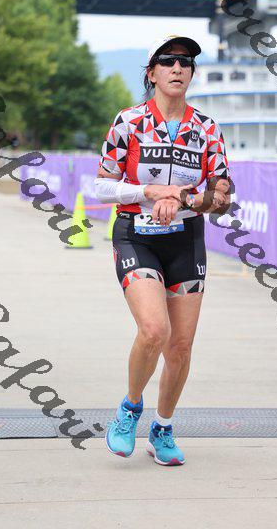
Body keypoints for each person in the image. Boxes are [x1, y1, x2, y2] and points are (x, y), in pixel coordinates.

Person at [94, 35, 231, 466]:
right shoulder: (129, 122)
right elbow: (101, 186)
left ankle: (163, 427)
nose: (177, 68)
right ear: (152, 73)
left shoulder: (206, 128)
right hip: (136, 236)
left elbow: (223, 197)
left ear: (191, 75)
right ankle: (130, 407)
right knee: (155, 331)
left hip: (185, 240)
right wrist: (149, 191)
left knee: (181, 346)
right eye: (168, 61)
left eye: (185, 63)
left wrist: (183, 197)